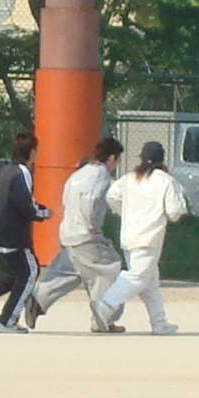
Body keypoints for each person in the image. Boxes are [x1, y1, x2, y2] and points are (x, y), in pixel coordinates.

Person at [26, 135, 128, 332]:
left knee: (69, 272)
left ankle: (38, 300)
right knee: (111, 269)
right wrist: (92, 226)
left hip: (68, 232)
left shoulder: (80, 173)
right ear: (113, 158)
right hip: (86, 235)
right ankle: (104, 314)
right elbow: (91, 201)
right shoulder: (101, 175)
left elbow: (66, 198)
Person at [103, 141, 191, 334]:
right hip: (149, 237)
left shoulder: (129, 178)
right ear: (162, 159)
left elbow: (111, 196)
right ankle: (105, 305)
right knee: (137, 277)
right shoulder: (165, 180)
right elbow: (175, 211)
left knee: (149, 283)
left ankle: (159, 323)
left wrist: (123, 212)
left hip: (128, 236)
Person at [0, 130, 50, 332]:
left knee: (13, 274)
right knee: (31, 271)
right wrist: (43, 213)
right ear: (31, 152)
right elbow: (25, 204)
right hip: (12, 234)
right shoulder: (23, 172)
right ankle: (7, 321)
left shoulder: (4, 171)